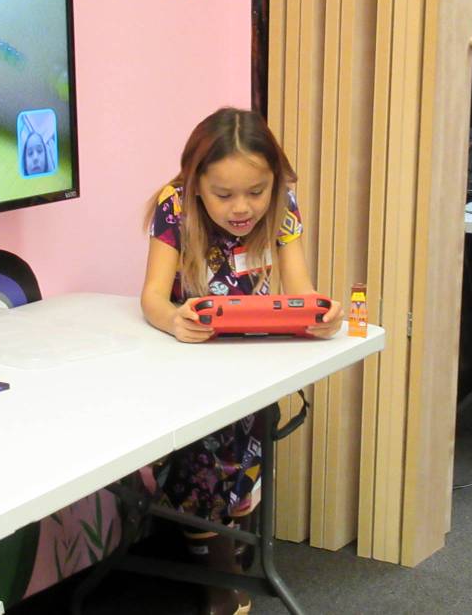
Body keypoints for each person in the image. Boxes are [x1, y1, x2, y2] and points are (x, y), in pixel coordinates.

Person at [140, 106, 343, 614]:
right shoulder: (175, 207)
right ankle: (220, 561)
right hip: (190, 354)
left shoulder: (283, 206)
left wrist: (322, 315)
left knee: (241, 445)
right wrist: (173, 320)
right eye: (223, 194)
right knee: (207, 452)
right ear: (195, 184)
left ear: (275, 181)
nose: (241, 209)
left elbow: (300, 292)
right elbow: (152, 298)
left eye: (257, 191)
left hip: (249, 353)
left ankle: (223, 543)